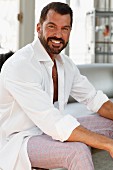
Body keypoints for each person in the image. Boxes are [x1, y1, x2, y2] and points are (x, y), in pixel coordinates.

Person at [0, 2, 113, 170]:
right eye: (52, 27)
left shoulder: (65, 64)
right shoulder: (21, 65)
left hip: (50, 131)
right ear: (39, 28)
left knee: (110, 124)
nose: (58, 35)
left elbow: (94, 99)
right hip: (20, 141)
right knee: (77, 151)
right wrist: (107, 144)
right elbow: (52, 121)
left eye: (64, 29)